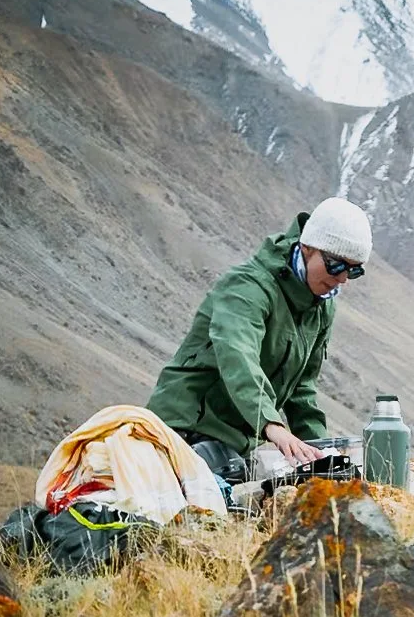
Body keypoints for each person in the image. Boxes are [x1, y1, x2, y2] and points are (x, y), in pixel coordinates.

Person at [148, 197, 372, 475]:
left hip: (234, 447)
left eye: (355, 270)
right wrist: (272, 424)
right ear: (307, 247)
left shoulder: (321, 305)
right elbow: (237, 357)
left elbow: (302, 388)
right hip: (183, 431)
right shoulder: (246, 288)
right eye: (336, 265)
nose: (342, 278)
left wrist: (321, 454)